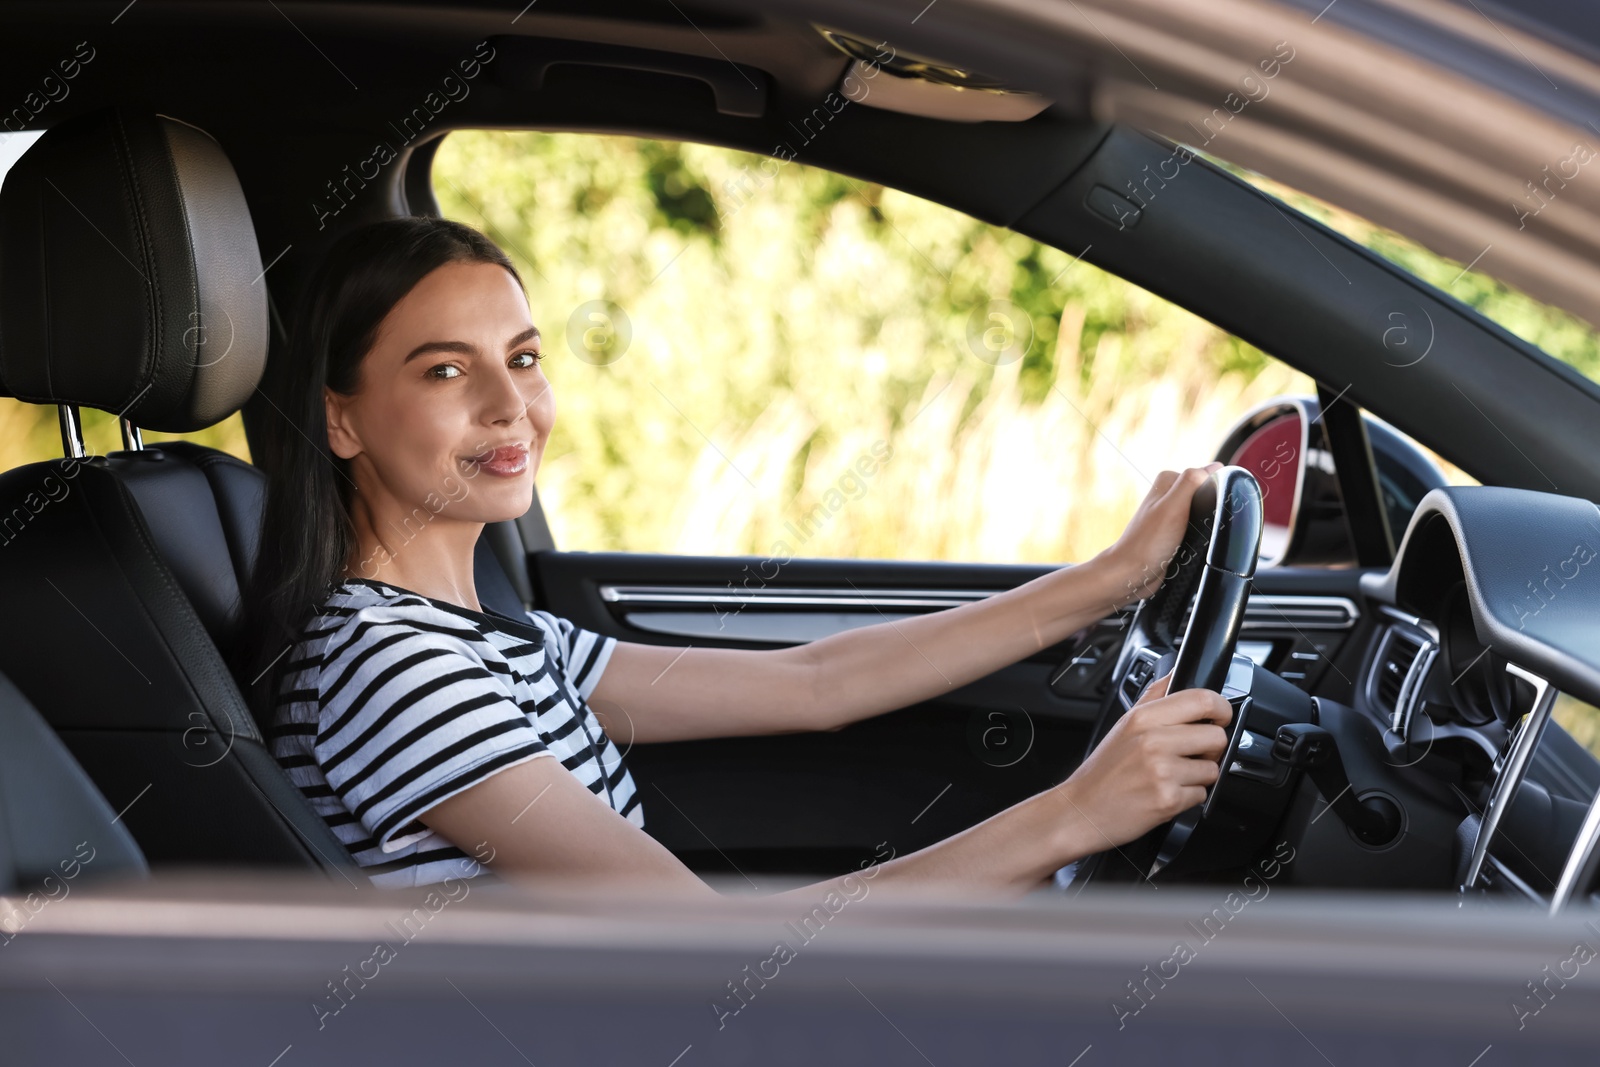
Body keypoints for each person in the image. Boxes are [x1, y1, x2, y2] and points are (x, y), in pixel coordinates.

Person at [234, 216, 1232, 899]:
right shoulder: (391, 669)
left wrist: (1107, 578)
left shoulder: (501, 640)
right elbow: (719, 956)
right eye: (447, 369)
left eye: (524, 357)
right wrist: (1074, 814)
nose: (509, 404)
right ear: (340, 419)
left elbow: (816, 682)